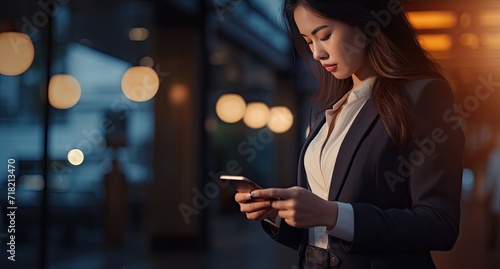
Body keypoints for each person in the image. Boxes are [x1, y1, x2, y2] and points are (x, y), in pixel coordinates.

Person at [234, 0, 465, 268]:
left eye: (325, 36)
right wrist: (277, 214)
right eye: (308, 41)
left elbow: (439, 224)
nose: (317, 53)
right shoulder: (329, 112)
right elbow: (319, 235)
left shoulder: (422, 96)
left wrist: (333, 214)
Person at [484, 134, 500, 249]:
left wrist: (486, 192)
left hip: (496, 201)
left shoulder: (494, 155)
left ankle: (492, 245)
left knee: (494, 226)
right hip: (496, 201)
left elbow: (490, 177)